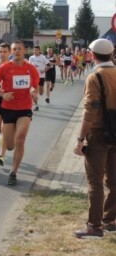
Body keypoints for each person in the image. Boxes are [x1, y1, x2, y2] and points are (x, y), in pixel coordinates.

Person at [73, 38, 116, 239]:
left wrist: (80, 138)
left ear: (92, 54)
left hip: (98, 132)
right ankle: (110, 220)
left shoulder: (95, 77)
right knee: (114, 179)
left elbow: (91, 110)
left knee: (95, 181)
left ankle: (94, 226)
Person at [0, 40, 40, 185]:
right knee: (10, 145)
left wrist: (33, 93)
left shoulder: (31, 69)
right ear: (12, 52)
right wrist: (3, 94)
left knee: (20, 139)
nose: (17, 51)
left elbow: (34, 87)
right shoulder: (5, 68)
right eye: (14, 49)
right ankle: (7, 143)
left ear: (24, 51)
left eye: (19, 49)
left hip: (24, 108)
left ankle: (13, 172)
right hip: (8, 108)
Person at [28, 46, 50, 111]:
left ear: (39, 50)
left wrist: (44, 71)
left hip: (41, 76)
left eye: (37, 50)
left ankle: (37, 99)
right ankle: (36, 105)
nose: (35, 51)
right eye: (34, 50)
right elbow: (29, 66)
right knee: (35, 92)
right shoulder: (31, 58)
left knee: (40, 93)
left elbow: (49, 65)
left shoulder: (43, 57)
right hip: (33, 77)